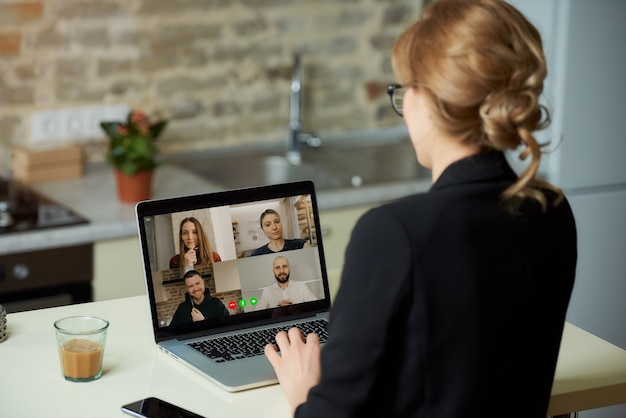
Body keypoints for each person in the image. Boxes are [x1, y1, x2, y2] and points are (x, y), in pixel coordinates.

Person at [263, 1, 578, 417]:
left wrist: (304, 391)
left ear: (429, 101)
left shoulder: (393, 231)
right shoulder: (552, 211)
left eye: (405, 88)